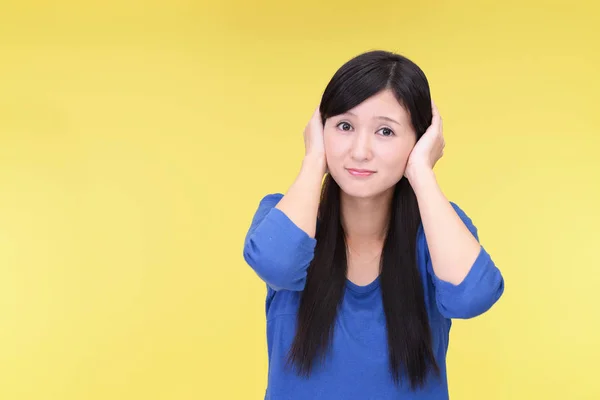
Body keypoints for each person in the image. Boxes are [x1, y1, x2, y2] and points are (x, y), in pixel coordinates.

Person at [243, 50, 504, 399]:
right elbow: (277, 263)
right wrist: (313, 160)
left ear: (420, 142)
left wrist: (422, 173)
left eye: (385, 131)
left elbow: (473, 297)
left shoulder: (438, 231)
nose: (360, 151)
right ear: (320, 131)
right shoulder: (285, 215)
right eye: (344, 126)